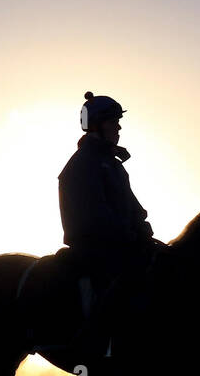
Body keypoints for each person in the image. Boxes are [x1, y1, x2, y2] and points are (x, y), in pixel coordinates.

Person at [58, 91, 161, 358]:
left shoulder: (111, 164)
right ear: (98, 125)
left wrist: (143, 226)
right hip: (94, 247)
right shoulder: (84, 164)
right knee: (127, 278)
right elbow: (95, 214)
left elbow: (132, 205)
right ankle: (96, 344)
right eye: (114, 122)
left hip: (121, 242)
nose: (119, 127)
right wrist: (129, 235)